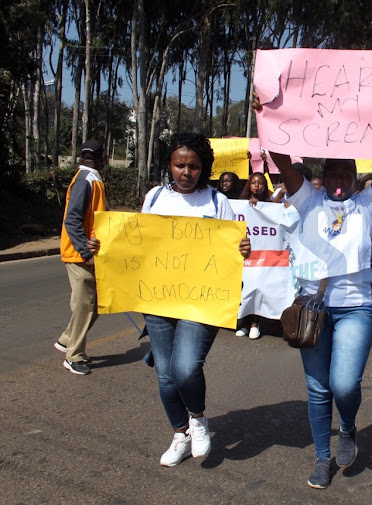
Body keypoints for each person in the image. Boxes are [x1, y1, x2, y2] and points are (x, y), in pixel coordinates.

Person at [254, 92, 372, 489]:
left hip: (355, 309)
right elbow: (280, 158)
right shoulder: (307, 199)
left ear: (354, 175)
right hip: (313, 308)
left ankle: (347, 426)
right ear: (324, 175)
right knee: (316, 387)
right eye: (333, 172)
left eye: (347, 172)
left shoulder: (368, 204)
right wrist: (267, 115)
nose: (340, 179)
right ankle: (322, 457)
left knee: (344, 384)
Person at [92, 133, 251, 466]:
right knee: (165, 373)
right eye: (180, 165)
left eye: (194, 166)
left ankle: (197, 418)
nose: (186, 172)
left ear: (203, 168)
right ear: (169, 165)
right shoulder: (154, 197)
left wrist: (242, 248)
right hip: (158, 299)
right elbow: (134, 243)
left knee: (185, 367)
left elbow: (234, 246)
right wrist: (102, 245)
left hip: (201, 301)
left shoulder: (216, 202)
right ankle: (180, 433)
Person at [55, 140, 109, 375]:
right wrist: (85, 252)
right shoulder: (85, 180)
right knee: (85, 305)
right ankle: (73, 356)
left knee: (94, 304)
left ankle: (67, 339)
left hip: (89, 254)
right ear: (102, 158)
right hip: (80, 256)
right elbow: (72, 219)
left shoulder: (93, 178)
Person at [235, 172, 274, 339]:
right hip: (245, 256)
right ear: (249, 185)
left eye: (260, 183)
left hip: (263, 256)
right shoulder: (240, 205)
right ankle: (243, 323)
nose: (257, 186)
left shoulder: (271, 206)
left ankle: (255, 324)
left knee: (258, 288)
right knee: (244, 289)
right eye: (254, 183)